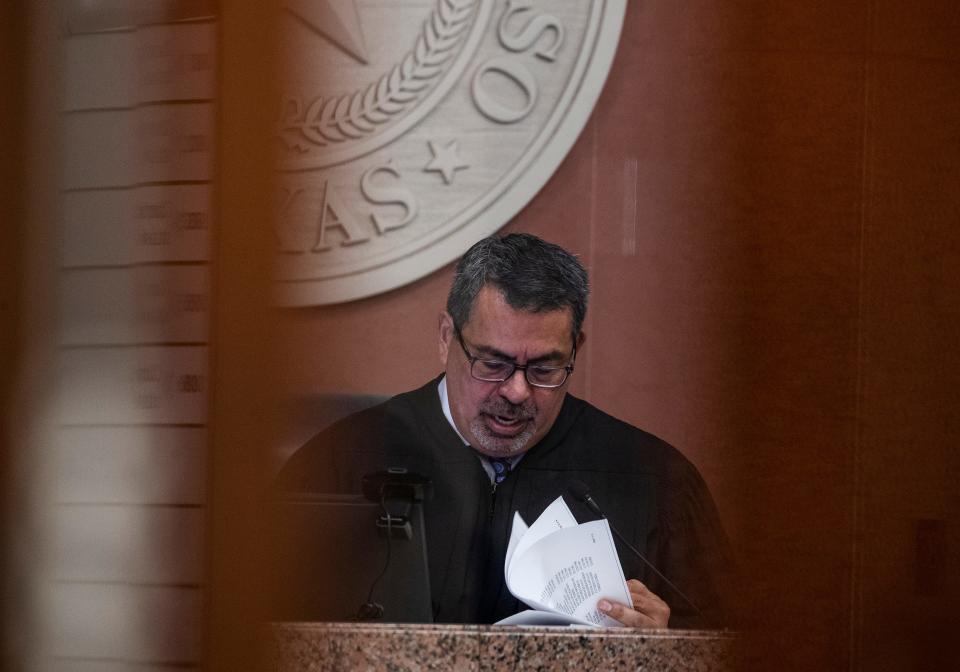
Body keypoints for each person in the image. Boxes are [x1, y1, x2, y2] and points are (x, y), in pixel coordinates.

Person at [277, 233, 734, 628]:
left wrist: (667, 647)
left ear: (577, 349)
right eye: (492, 363)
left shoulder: (655, 483)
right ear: (444, 338)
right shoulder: (339, 463)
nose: (516, 391)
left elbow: (729, 645)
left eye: (544, 367)